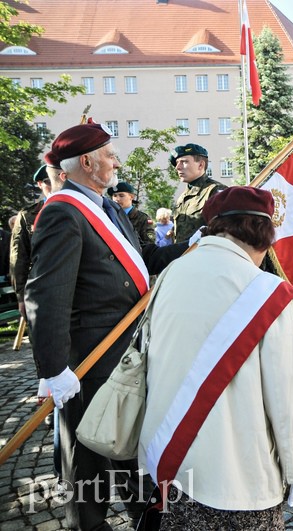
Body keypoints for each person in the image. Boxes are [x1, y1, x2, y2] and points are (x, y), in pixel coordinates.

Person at [139, 187, 293, 529]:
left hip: (168, 465)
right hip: (238, 481)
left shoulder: (171, 273)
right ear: (265, 235)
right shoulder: (268, 291)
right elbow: (287, 395)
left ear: (212, 227)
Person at [25, 122, 157, 529]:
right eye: (110, 154)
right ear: (87, 161)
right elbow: (46, 298)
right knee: (86, 468)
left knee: (133, 452)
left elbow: (143, 261)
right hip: (87, 362)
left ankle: (146, 520)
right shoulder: (64, 212)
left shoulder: (110, 206)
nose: (116, 161)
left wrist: (196, 242)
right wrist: (54, 369)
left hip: (126, 353)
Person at [9, 164, 65, 320]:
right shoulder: (28, 215)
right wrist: (21, 296)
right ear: (40, 184)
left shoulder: (80, 208)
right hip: (41, 289)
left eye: (61, 177)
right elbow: (18, 258)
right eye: (48, 181)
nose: (56, 184)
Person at [170, 143, 227, 242]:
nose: (177, 167)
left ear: (201, 165)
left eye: (184, 162)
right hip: (184, 256)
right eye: (177, 162)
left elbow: (223, 231)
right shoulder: (183, 197)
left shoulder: (215, 191)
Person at [108, 181, 155, 247]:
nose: (117, 199)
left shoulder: (143, 218)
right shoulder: (109, 216)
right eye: (115, 196)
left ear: (131, 197)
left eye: (121, 195)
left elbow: (149, 244)